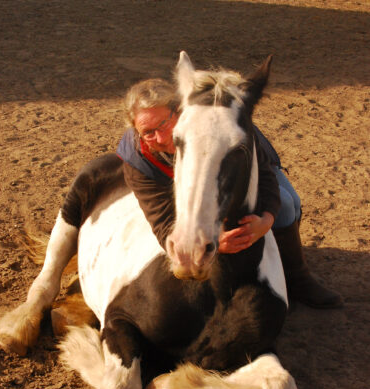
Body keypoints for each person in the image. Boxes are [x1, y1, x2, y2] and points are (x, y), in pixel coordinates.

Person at [117, 78, 342, 309]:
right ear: (136, 131)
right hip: (193, 202)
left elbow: (264, 175)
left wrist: (266, 221)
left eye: (164, 124)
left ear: (180, 112)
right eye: (148, 132)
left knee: (287, 204)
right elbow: (160, 217)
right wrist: (212, 241)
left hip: (242, 177)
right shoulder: (138, 161)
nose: (161, 138)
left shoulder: (222, 125)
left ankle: (297, 276)